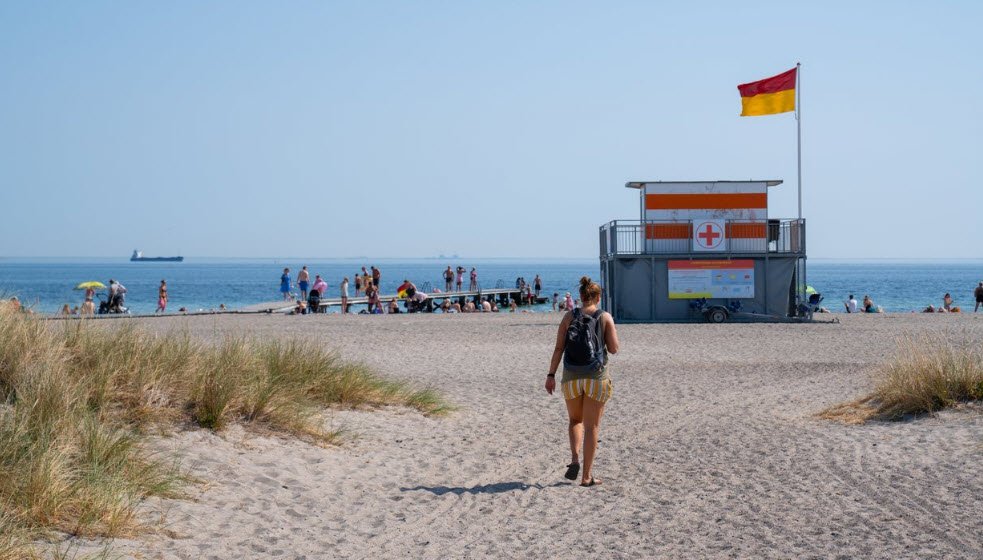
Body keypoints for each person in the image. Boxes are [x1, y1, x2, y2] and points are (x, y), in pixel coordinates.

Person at [546, 276, 620, 487]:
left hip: (571, 376)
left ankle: (574, 459)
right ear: (598, 296)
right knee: (592, 427)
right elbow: (614, 349)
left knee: (575, 421)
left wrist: (550, 375)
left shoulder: (569, 316)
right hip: (596, 376)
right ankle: (586, 477)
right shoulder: (604, 316)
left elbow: (559, 348)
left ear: (580, 296)